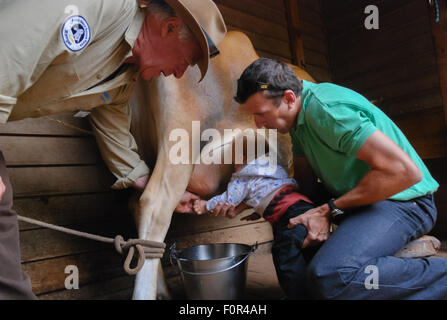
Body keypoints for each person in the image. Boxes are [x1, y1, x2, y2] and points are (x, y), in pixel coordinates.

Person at [0, 0, 226, 299]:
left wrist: (146, 183)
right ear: (170, 28)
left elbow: (114, 130)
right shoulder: (99, 7)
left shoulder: (122, 80)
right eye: (188, 59)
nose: (180, 73)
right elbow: (8, 51)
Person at [233, 57, 447, 299]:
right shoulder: (298, 123)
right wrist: (270, 201)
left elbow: (404, 173)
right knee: (292, 227)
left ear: (289, 98)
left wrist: (330, 210)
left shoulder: (327, 109)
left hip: (405, 201)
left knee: (332, 275)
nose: (258, 124)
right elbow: (307, 187)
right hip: (361, 200)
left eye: (261, 114)